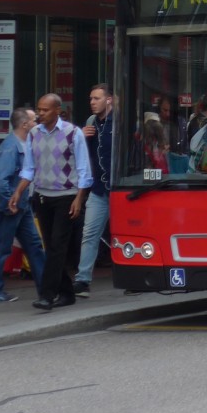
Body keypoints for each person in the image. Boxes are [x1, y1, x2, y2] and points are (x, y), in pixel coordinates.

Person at [10, 93, 92, 311]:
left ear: (58, 110)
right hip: (42, 197)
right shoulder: (34, 134)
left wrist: (79, 198)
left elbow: (84, 170)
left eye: (45, 110)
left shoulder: (73, 133)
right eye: (39, 109)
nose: (40, 113)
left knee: (57, 246)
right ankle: (66, 293)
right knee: (52, 247)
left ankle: (47, 295)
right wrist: (19, 192)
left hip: (66, 197)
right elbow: (28, 168)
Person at [0, 107, 45, 303]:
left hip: (21, 204)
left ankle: (46, 289)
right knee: (1, 248)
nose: (37, 122)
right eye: (33, 120)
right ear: (25, 125)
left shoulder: (24, 144)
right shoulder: (10, 148)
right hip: (10, 207)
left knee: (34, 246)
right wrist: (9, 202)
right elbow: (0, 181)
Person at [73, 84, 113, 299]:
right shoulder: (90, 123)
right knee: (89, 233)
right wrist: (81, 136)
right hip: (98, 188)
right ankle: (82, 280)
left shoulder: (121, 121)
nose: (92, 102)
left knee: (122, 234)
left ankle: (131, 272)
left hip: (118, 189)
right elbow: (81, 154)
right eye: (91, 98)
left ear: (109, 100)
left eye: (97, 98)